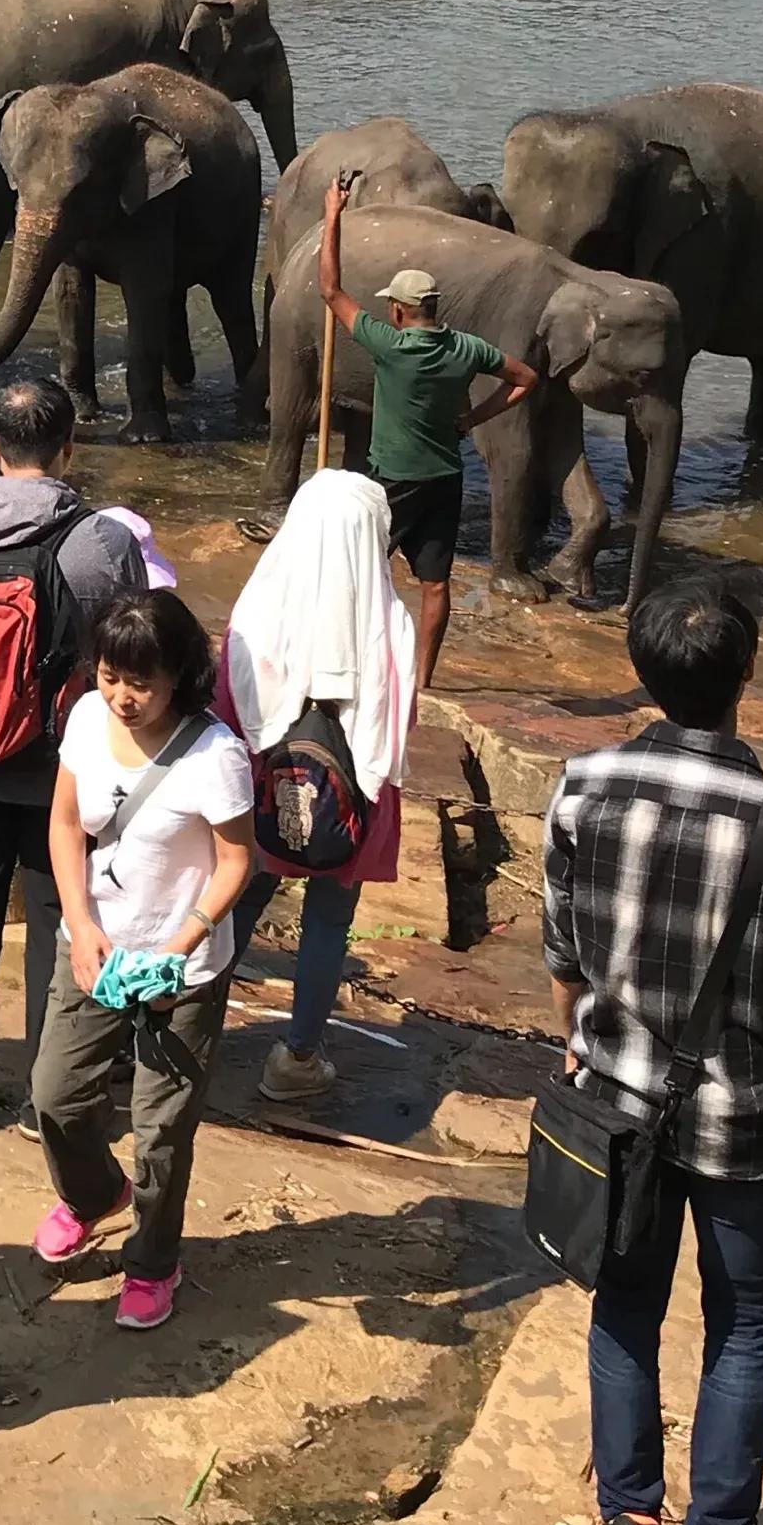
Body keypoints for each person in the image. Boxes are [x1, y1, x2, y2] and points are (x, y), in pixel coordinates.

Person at [543, 582, 763, 1525]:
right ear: (747, 673)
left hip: (619, 1105)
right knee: (744, 1322)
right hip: (745, 1115)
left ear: (642, 672)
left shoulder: (582, 785)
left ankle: (629, 1522)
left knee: (624, 1304)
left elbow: (563, 954)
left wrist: (588, 1043)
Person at [0, 376, 148, 1131]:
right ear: (69, 447)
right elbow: (129, 648)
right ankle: (49, 1097)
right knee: (63, 918)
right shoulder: (102, 540)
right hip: (62, 769)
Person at [31, 590, 257, 1332]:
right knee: (56, 1094)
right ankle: (96, 1195)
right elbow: (66, 824)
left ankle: (154, 1261)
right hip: (95, 947)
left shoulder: (216, 754)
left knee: (161, 1126)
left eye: (141, 683)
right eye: (109, 676)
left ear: (180, 677)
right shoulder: (87, 719)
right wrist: (79, 921)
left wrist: (181, 945)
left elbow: (235, 863)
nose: (123, 698)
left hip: (178, 971)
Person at [221, 467, 418, 1104]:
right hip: (351, 802)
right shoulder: (391, 625)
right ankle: (297, 1057)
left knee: (241, 899)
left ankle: (193, 1026)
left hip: (264, 788)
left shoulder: (258, 608)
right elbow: (394, 731)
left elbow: (228, 708)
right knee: (330, 920)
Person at [319, 182, 538, 695]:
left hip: (392, 479)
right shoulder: (466, 348)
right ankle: (422, 682)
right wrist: (475, 418)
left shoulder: (391, 345)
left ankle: (354, 665)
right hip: (445, 477)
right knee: (435, 583)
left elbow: (330, 291)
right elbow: (526, 378)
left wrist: (333, 216)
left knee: (362, 572)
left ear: (398, 310)